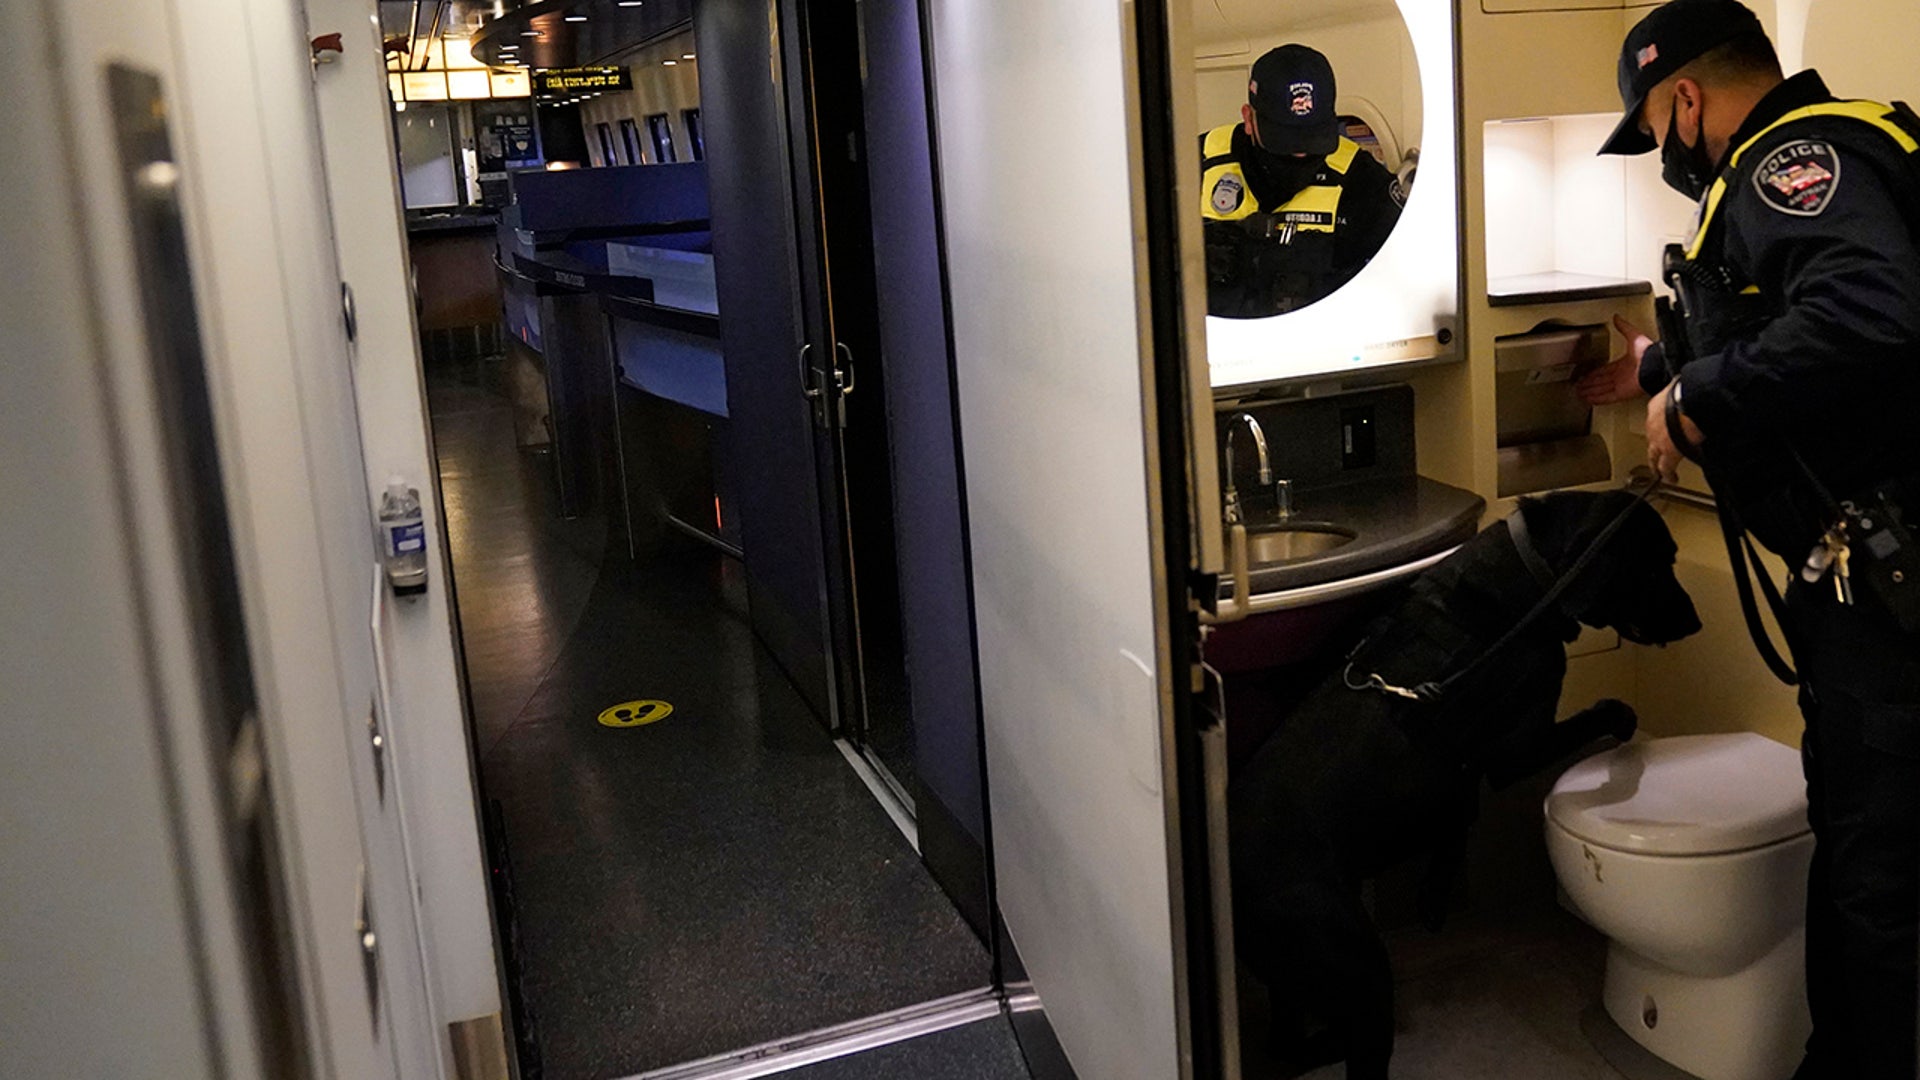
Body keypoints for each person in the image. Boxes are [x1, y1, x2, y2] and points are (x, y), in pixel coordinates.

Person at [1577, 2, 1920, 1075]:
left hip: (1884, 583)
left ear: (1686, 98)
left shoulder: (1790, 160)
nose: (1667, 155)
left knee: (1877, 863)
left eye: (1657, 126)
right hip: (1874, 564)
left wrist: (1695, 399)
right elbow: (1787, 328)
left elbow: (1867, 307)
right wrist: (1657, 373)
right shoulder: (1877, 139)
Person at [1200, 44, 1404, 318]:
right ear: (1249, 119)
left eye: (1313, 138)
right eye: (1283, 140)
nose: (1300, 153)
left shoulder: (1361, 180)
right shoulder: (1195, 163)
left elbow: (1400, 283)